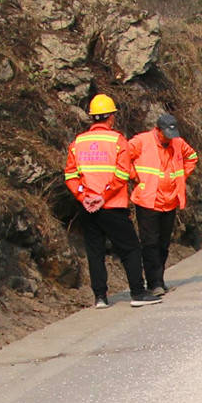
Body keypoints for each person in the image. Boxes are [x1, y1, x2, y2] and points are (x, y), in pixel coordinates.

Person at [64, 94, 161, 308]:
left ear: (92, 118)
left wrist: (84, 196)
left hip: (87, 207)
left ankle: (100, 297)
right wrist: (103, 196)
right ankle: (138, 292)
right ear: (111, 118)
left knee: (95, 251)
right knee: (130, 249)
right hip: (113, 205)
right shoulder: (117, 141)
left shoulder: (77, 143)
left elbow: (71, 175)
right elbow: (122, 174)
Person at [129, 112, 199, 296]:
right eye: (166, 135)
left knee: (163, 243)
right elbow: (123, 157)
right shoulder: (141, 141)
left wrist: (182, 177)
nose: (169, 140)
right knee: (149, 242)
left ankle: (158, 279)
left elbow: (192, 157)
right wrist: (133, 176)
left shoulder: (178, 143)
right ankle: (154, 283)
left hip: (170, 200)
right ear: (157, 130)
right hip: (148, 200)